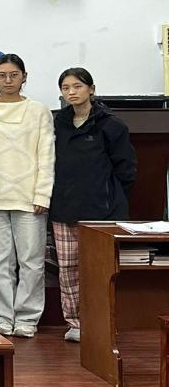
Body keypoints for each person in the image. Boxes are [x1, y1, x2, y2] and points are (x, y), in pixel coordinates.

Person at [50, 67, 137, 343]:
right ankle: (75, 322)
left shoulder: (111, 125)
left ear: (92, 89)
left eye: (77, 86)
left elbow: (127, 170)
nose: (72, 92)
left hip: (102, 211)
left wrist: (109, 195)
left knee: (99, 269)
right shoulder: (57, 123)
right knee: (68, 270)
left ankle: (102, 321)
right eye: (66, 88)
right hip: (64, 207)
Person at [0, 54, 55, 339]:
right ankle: (4, 316)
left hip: (29, 197)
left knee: (31, 261)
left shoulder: (39, 111)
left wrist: (42, 194)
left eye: (14, 75)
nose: (8, 80)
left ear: (24, 77)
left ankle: (28, 318)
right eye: (2, 75)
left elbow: (47, 155)